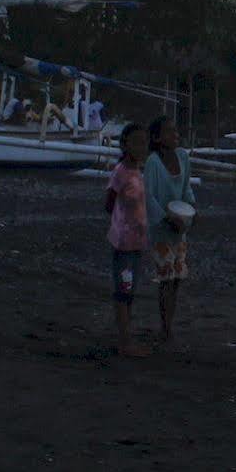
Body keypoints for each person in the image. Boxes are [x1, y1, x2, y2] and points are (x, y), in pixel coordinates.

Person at [144, 115, 197, 349]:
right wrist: (167, 218)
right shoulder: (152, 162)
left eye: (176, 131)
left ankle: (168, 324)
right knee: (166, 279)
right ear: (157, 138)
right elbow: (148, 197)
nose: (175, 135)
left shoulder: (183, 157)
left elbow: (186, 189)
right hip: (161, 231)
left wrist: (192, 211)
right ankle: (165, 327)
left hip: (179, 229)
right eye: (169, 132)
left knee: (177, 280)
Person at [105, 123, 151, 358]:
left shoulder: (138, 170)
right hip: (124, 242)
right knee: (124, 289)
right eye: (136, 142)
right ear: (124, 144)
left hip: (137, 242)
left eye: (144, 142)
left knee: (130, 289)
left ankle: (126, 336)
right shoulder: (121, 171)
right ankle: (124, 341)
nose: (141, 147)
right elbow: (109, 202)